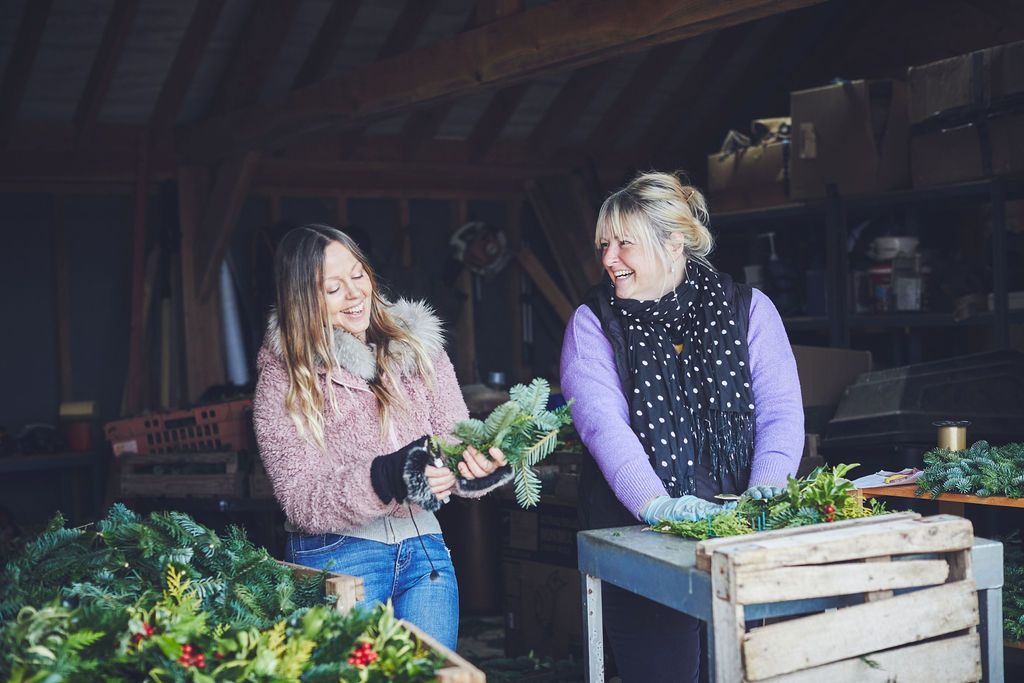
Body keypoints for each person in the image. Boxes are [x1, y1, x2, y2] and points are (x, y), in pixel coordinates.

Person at [560, 171, 804, 682]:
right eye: (604, 244)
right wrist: (656, 504)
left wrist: (764, 495)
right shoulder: (592, 321)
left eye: (625, 243)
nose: (608, 259)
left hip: (739, 540)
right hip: (638, 541)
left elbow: (781, 414)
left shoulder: (747, 310)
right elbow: (604, 426)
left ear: (674, 245)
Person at [253, 224, 513, 650]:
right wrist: (385, 477)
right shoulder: (287, 376)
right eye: (333, 288)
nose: (355, 294)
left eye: (358, 275)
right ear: (303, 300)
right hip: (336, 560)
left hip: (425, 550)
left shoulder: (418, 347)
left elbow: (453, 437)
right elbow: (299, 497)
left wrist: (475, 465)